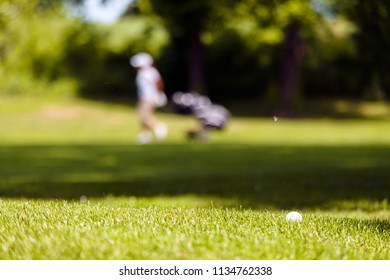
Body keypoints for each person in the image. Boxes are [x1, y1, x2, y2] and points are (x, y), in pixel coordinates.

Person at [130, 52, 168, 144]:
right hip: (144, 97)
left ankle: (158, 127)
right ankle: (145, 136)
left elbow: (158, 83)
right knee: (143, 116)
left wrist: (159, 94)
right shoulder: (142, 72)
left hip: (150, 97)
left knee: (144, 115)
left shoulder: (150, 71)